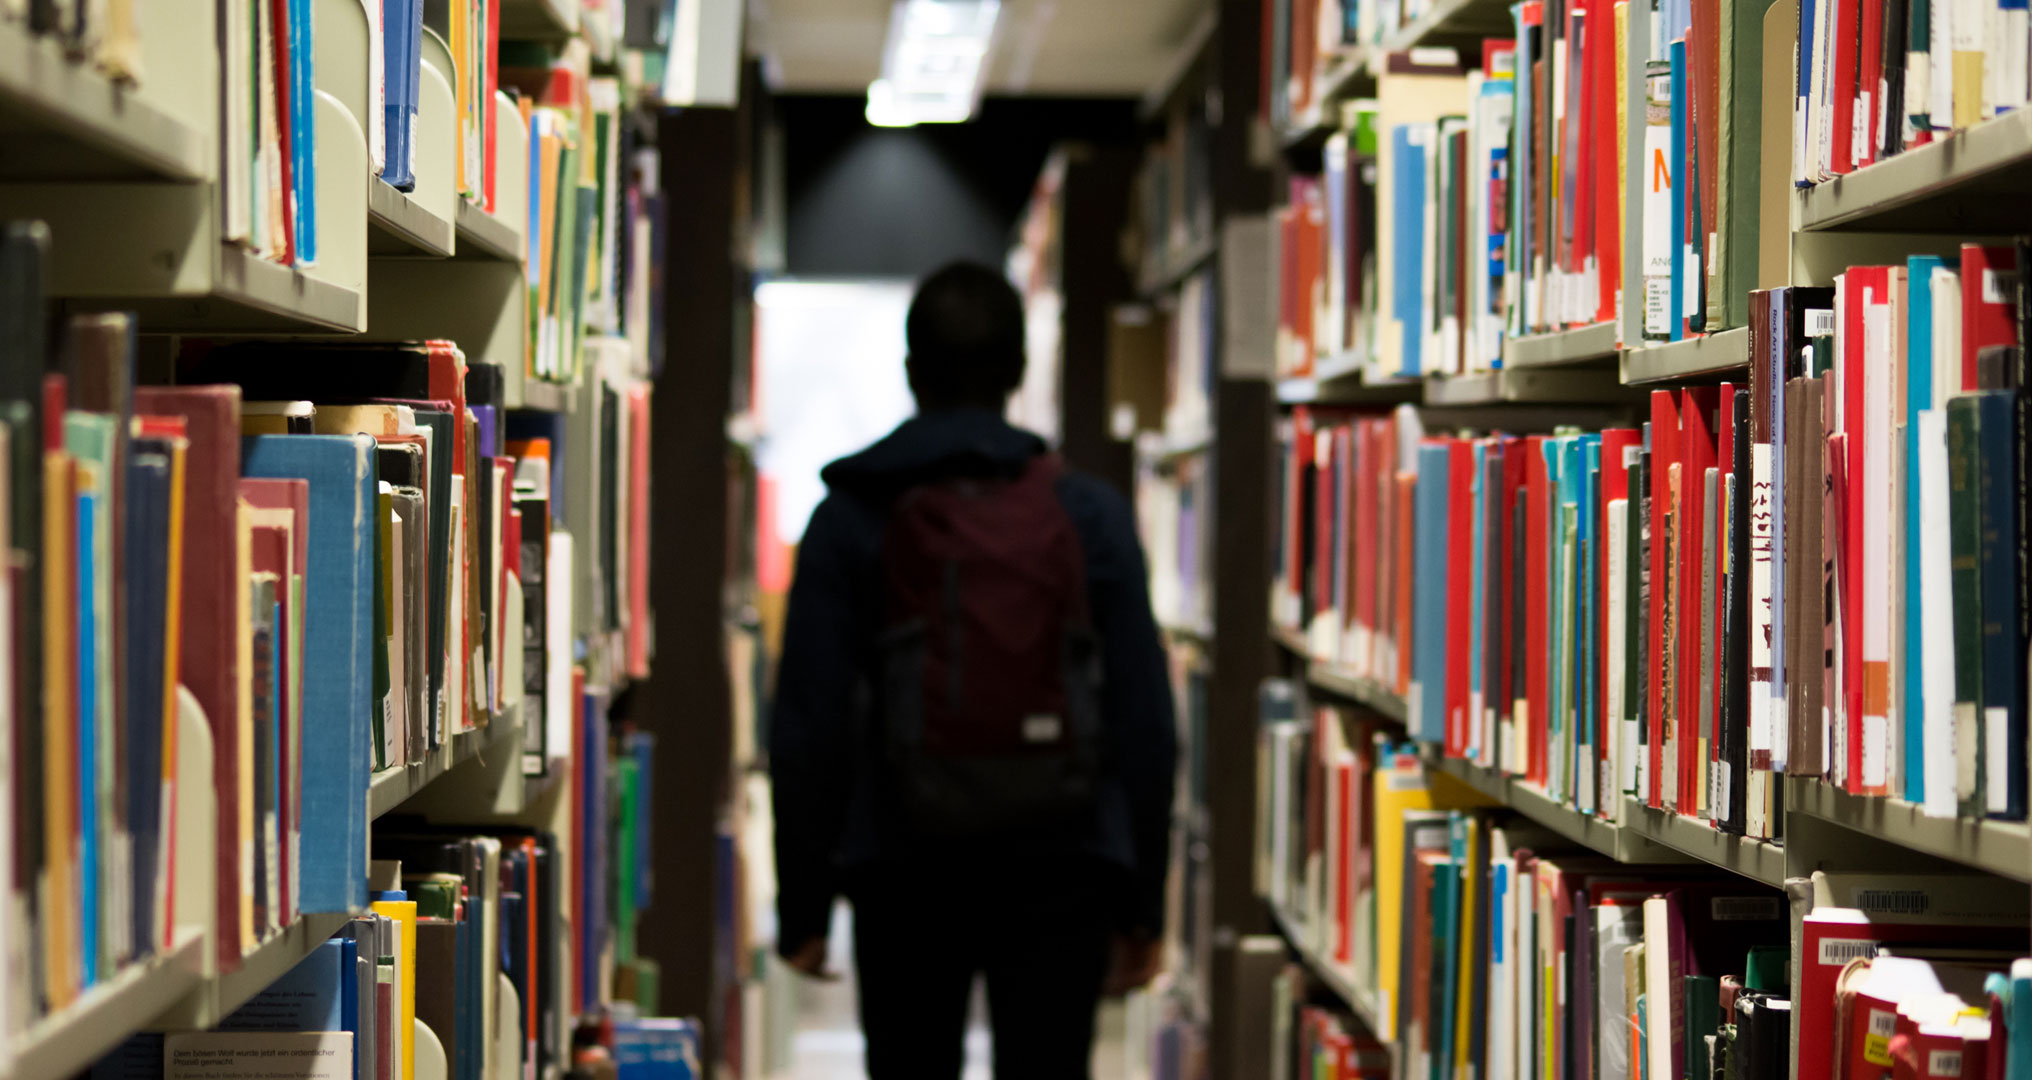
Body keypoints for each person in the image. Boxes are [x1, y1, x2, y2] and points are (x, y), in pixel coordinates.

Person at [769, 261, 1179, 1079]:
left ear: (912, 371)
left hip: (903, 863)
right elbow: (1145, 717)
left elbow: (810, 721)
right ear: (1020, 372)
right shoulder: (1087, 512)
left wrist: (804, 904)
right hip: (1064, 863)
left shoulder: (851, 514)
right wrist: (1143, 903)